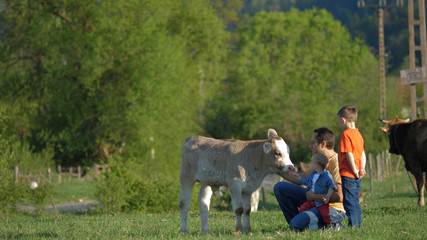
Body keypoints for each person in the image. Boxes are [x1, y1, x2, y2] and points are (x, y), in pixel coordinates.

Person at [274, 127, 346, 231]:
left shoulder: (336, 163)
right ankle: (296, 225)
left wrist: (314, 196)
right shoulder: (319, 162)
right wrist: (276, 169)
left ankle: (334, 226)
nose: (310, 146)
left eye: (313, 142)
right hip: (315, 201)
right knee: (279, 188)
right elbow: (299, 179)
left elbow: (340, 197)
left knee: (296, 224)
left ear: (323, 144)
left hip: (333, 209)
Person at [337, 105, 366, 228]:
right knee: (355, 202)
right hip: (358, 174)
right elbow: (362, 154)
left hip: (349, 174)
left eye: (339, 121)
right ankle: (357, 225)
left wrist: (354, 171)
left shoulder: (346, 134)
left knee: (349, 202)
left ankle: (353, 227)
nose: (339, 124)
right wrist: (361, 169)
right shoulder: (358, 134)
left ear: (343, 120)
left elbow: (349, 155)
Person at [298, 153, 337, 228]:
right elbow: (306, 181)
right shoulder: (312, 174)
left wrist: (328, 196)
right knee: (302, 208)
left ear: (317, 165)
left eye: (312, 163)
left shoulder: (326, 175)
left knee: (325, 215)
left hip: (321, 202)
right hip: (311, 200)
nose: (310, 164)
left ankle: (329, 226)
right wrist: (299, 179)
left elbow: (331, 186)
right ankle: (303, 223)